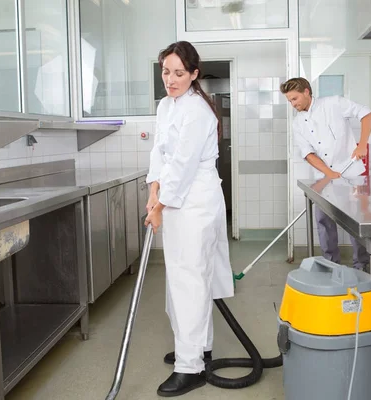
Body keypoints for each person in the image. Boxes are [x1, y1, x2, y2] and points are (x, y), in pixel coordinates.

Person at [144, 41, 235, 397]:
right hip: (172, 202)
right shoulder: (165, 106)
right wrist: (153, 192)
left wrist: (159, 206)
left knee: (191, 282)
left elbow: (182, 166)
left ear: (194, 74)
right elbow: (159, 154)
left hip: (195, 203)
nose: (171, 79)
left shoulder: (198, 110)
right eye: (166, 72)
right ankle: (199, 348)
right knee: (184, 279)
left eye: (179, 73)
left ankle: (191, 366)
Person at [280, 77, 371, 271]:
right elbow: (307, 153)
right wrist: (329, 173)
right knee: (324, 221)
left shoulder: (334, 103)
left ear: (307, 92)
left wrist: (362, 144)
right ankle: (331, 266)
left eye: (295, 98)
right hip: (323, 177)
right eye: (290, 101)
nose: (293, 104)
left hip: (352, 172)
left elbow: (366, 113)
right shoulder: (298, 123)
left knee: (356, 221)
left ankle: (361, 266)